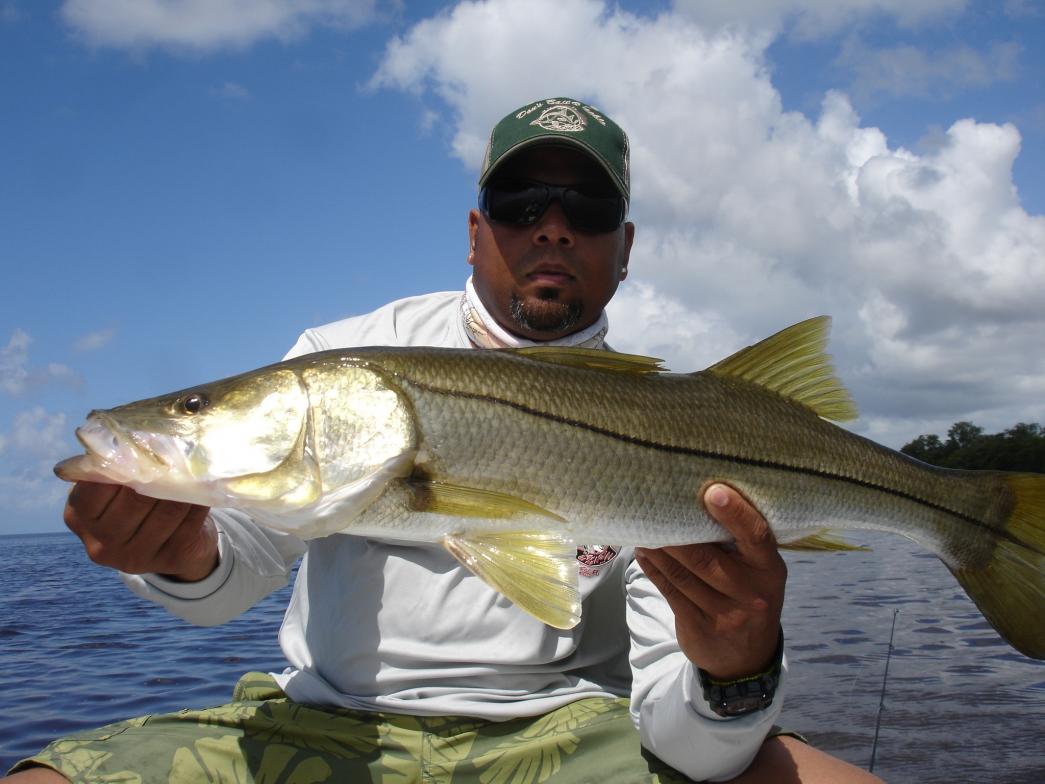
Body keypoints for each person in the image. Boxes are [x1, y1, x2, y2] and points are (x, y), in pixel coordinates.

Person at [7, 98, 882, 783]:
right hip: (330, 723)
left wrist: (736, 669)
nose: (550, 225)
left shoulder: (690, 423)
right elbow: (227, 577)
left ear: (625, 249)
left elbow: (692, 747)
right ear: (473, 234)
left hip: (574, 734)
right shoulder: (336, 354)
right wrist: (178, 553)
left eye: (585, 207)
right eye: (518, 201)